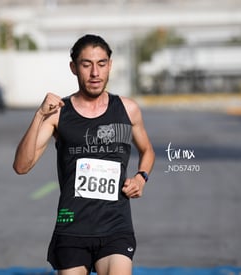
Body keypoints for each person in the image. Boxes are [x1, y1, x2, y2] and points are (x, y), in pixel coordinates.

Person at [13, 34, 155, 275]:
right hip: (72, 228)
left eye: (101, 64)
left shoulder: (128, 109)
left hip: (116, 228)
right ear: (73, 67)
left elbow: (147, 150)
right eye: (86, 64)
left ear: (110, 65)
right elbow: (22, 166)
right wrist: (39, 116)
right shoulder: (59, 114)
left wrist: (141, 177)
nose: (95, 73)